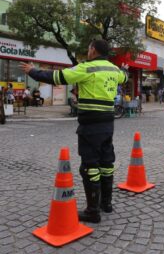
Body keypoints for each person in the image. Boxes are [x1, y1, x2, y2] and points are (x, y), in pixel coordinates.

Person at [20, 39, 127, 223]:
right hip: (108, 124)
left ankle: (93, 211)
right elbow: (125, 77)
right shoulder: (113, 70)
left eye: (88, 48)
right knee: (106, 162)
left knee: (89, 166)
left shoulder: (87, 68)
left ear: (93, 50)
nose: (87, 51)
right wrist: (123, 68)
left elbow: (57, 77)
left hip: (90, 125)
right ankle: (106, 204)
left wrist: (33, 72)